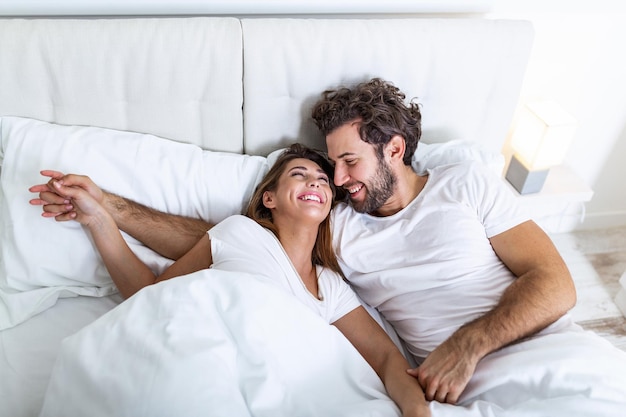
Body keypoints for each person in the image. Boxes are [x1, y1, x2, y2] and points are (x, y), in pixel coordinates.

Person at [29, 79, 578, 406]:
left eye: (345, 163)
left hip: (531, 349)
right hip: (441, 385)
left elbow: (555, 284)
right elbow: (224, 244)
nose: (334, 181)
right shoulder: (336, 222)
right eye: (318, 170)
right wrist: (111, 210)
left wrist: (467, 346)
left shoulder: (466, 182)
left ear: (393, 148)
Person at [31, 143, 431, 417]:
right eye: (299, 174)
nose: (316, 182)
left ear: (329, 205)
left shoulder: (331, 286)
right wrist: (99, 219)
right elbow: (152, 298)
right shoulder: (238, 232)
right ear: (269, 199)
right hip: (204, 361)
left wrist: (417, 410)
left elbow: (384, 359)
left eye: (323, 181)